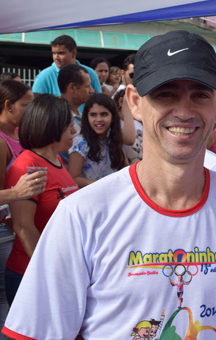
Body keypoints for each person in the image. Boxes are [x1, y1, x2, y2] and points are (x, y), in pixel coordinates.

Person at [2, 30, 216, 340]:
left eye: (200, 94)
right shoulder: (82, 215)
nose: (184, 111)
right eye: (165, 93)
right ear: (134, 102)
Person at [4, 94, 78, 305]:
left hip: (58, 270)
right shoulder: (27, 167)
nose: (74, 131)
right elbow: (24, 227)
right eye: (69, 125)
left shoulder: (55, 160)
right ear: (52, 126)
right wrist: (52, 275)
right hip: (32, 276)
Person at [0, 81, 46, 336]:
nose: (30, 111)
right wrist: (17, 194)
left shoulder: (18, 135)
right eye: (26, 105)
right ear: (8, 106)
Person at [68, 93, 127, 188]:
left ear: (112, 117)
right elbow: (72, 178)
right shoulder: (80, 143)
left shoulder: (112, 139)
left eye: (104, 114)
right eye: (93, 115)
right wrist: (102, 183)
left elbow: (125, 169)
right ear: (87, 117)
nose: (98, 119)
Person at [32, 35, 101, 97]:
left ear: (73, 53)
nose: (56, 57)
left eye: (60, 53)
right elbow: (36, 107)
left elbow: (98, 101)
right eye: (54, 53)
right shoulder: (43, 76)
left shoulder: (91, 73)